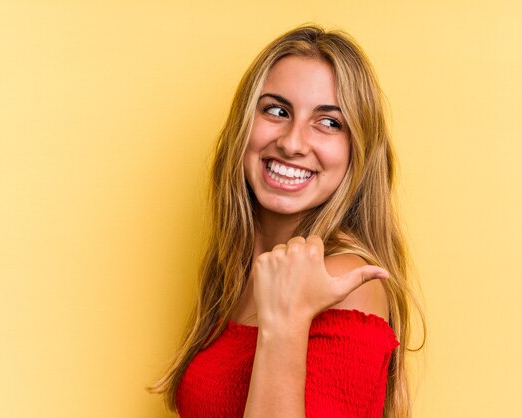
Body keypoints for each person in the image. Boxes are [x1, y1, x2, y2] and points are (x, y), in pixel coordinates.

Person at [150, 24, 423, 418]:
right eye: (276, 111)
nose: (293, 143)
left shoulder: (344, 283)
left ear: (357, 150)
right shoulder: (242, 270)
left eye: (329, 122)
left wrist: (286, 324)